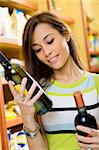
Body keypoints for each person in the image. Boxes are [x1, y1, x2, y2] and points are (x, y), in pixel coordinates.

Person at [9, 11, 99, 150]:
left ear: (66, 35)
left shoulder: (96, 83)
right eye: (38, 50)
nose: (46, 52)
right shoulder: (39, 92)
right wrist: (27, 119)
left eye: (50, 41)